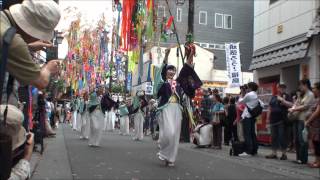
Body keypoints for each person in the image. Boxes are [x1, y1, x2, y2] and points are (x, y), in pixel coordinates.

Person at [154, 48, 202, 166]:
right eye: (169, 70)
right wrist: (166, 55)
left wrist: (190, 54)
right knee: (168, 133)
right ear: (166, 72)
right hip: (165, 108)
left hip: (177, 110)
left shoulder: (179, 83)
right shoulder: (162, 83)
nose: (171, 71)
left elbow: (186, 68)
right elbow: (161, 70)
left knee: (175, 134)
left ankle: (171, 158)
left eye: (173, 70)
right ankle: (164, 149)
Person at [0, 0, 61, 91]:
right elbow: (41, 81)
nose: (38, 38)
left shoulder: (3, 18)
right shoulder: (14, 42)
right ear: (31, 31)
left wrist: (28, 47)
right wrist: (48, 68)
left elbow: (7, 50)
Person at [289, 79, 315, 164]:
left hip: (303, 119)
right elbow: (296, 103)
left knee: (302, 139)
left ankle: (303, 159)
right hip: (296, 118)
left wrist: (294, 109)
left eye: (301, 85)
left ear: (305, 85)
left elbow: (305, 106)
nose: (299, 87)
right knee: (296, 139)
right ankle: (298, 158)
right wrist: (294, 107)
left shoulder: (310, 94)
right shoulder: (301, 95)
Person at [265, 84, 292, 160]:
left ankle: (284, 153)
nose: (281, 89)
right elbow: (270, 108)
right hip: (273, 119)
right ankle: (274, 153)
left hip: (282, 119)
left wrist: (283, 100)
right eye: (280, 88)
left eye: (283, 88)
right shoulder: (273, 97)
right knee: (273, 137)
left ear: (285, 89)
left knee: (282, 137)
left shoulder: (287, 96)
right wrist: (267, 118)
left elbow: (291, 105)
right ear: (277, 88)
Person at [238, 82, 263, 156]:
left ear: (250, 88)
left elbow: (240, 102)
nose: (246, 89)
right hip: (252, 116)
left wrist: (242, 94)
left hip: (247, 117)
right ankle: (254, 150)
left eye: (247, 87)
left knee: (247, 134)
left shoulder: (249, 94)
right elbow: (262, 104)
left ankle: (248, 151)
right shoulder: (255, 95)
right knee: (252, 134)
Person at [306, 82, 320, 168]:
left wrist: (308, 120)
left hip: (318, 126)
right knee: (315, 142)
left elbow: (317, 112)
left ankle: (318, 162)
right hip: (314, 126)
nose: (313, 89)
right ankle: (316, 160)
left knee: (318, 143)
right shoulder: (316, 99)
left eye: (314, 88)